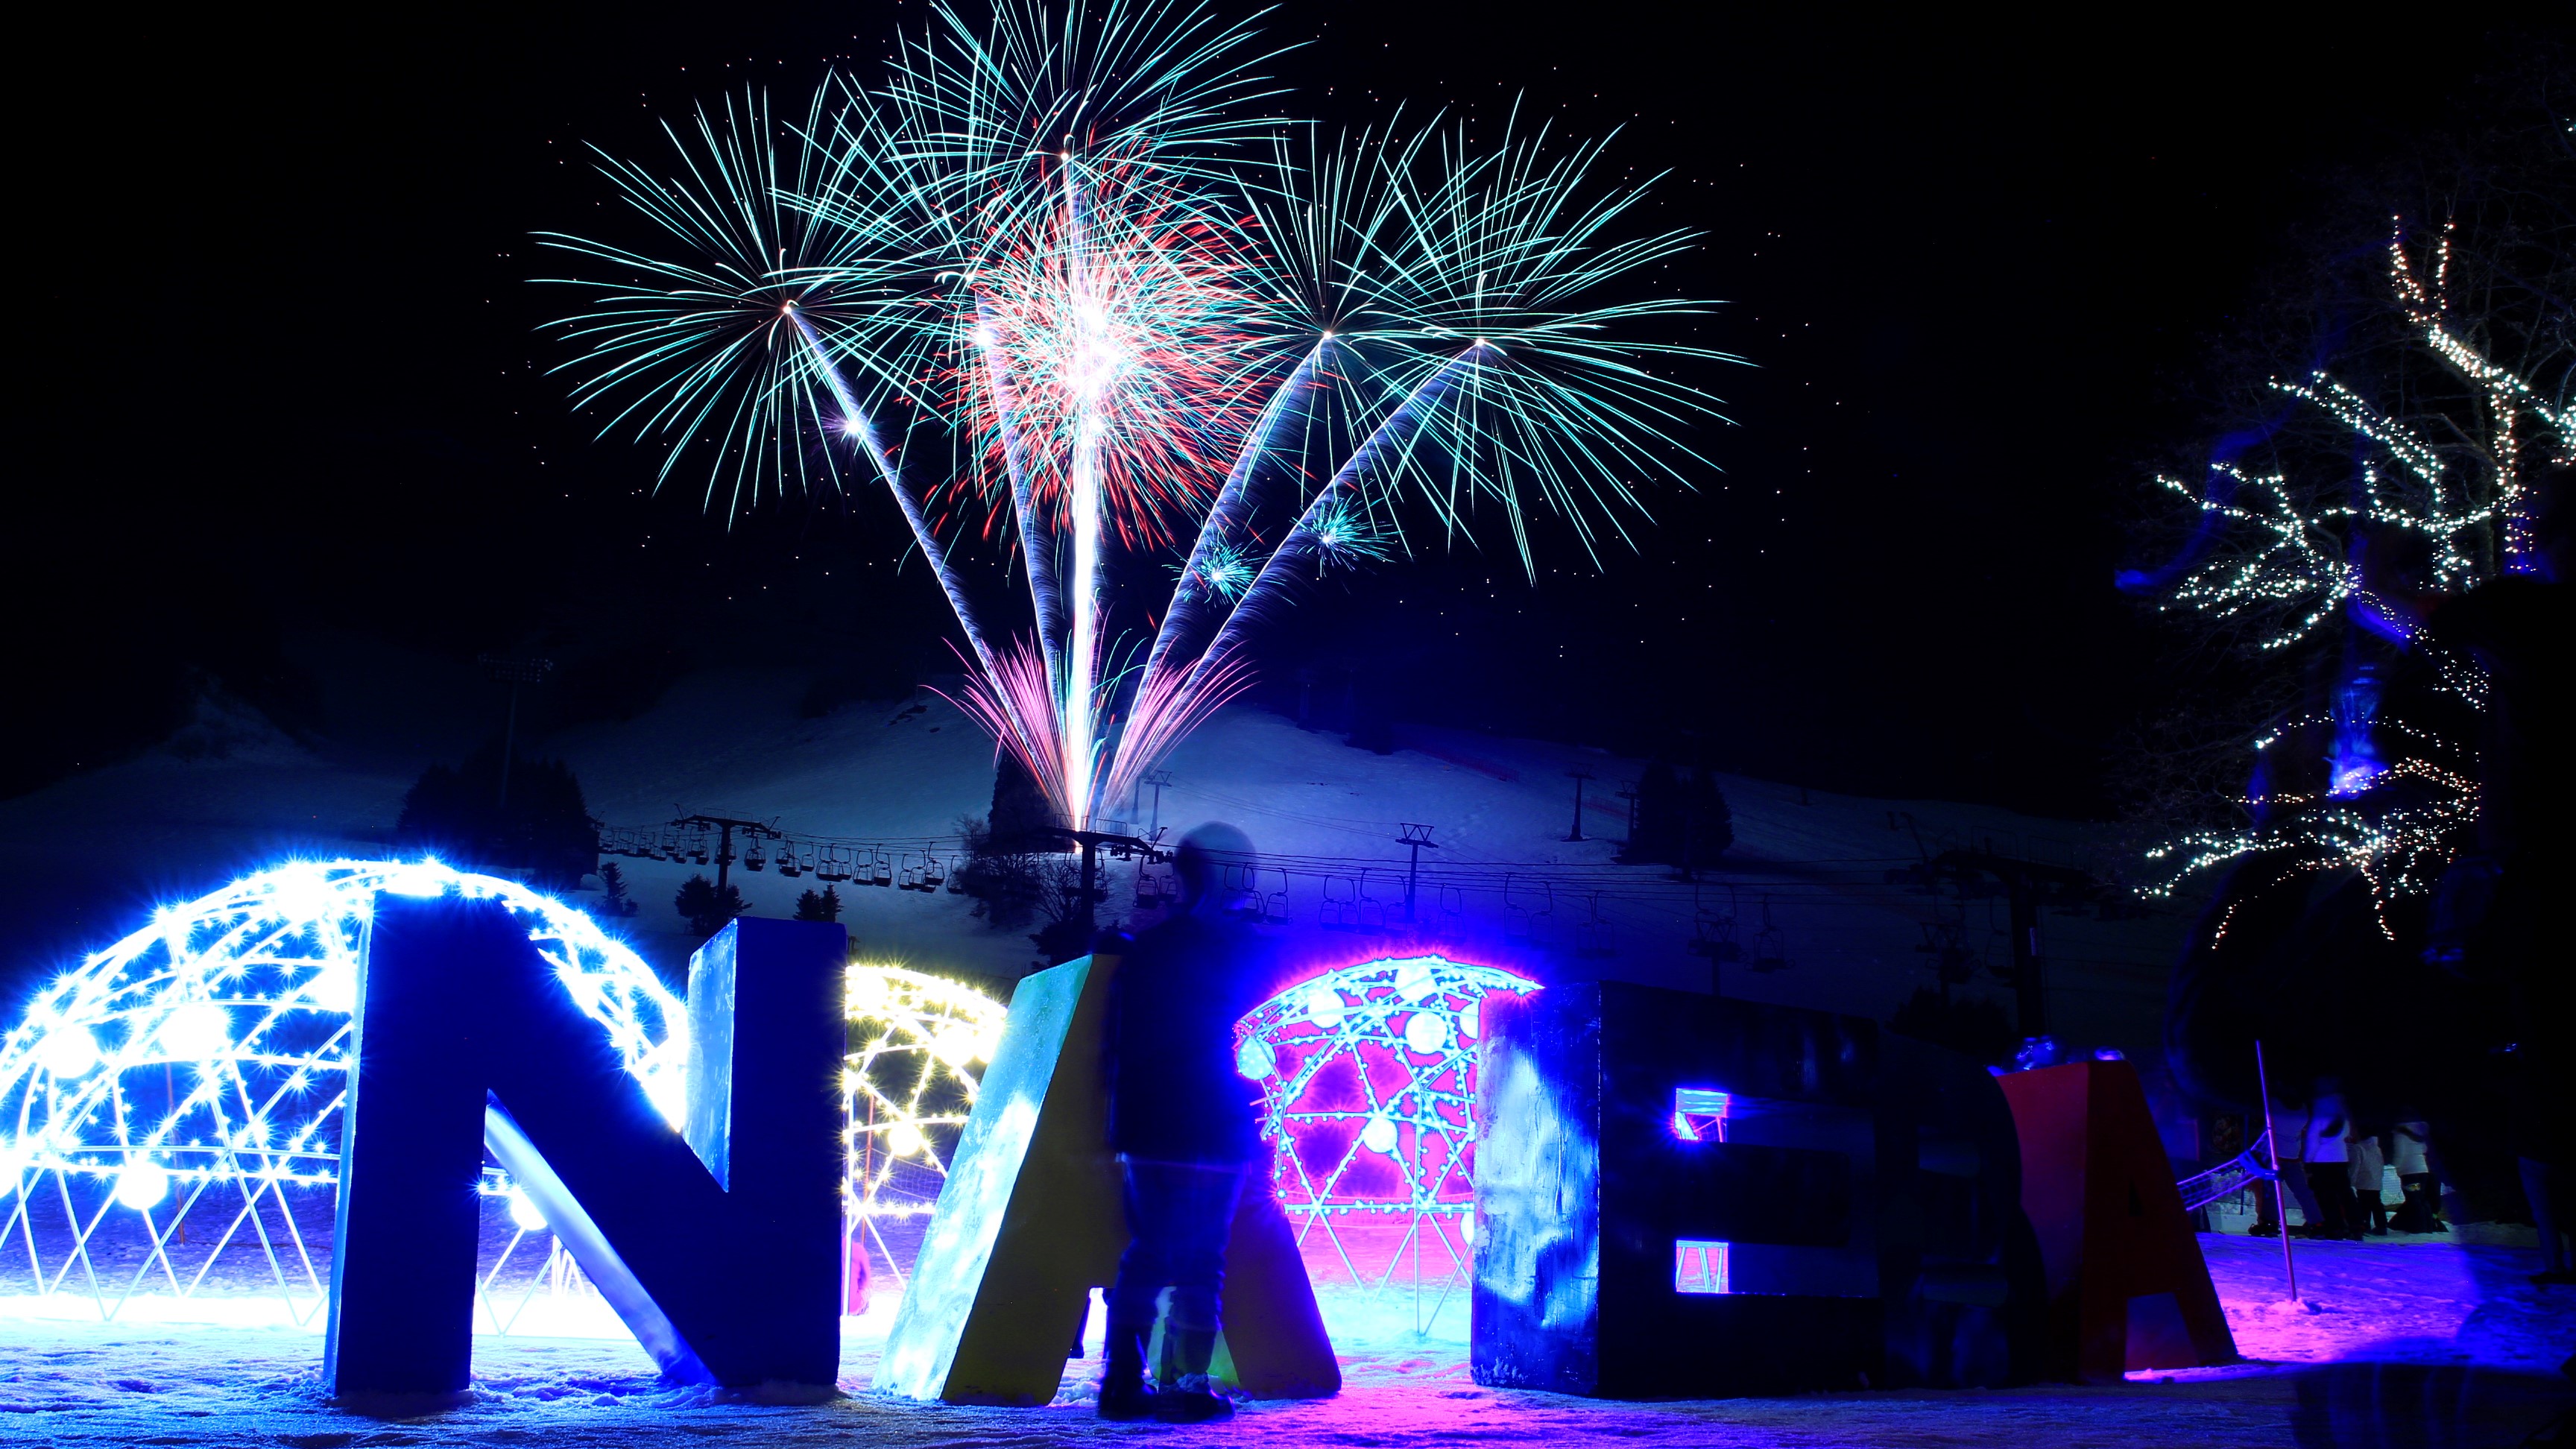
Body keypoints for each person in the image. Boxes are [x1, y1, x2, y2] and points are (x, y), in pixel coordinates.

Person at [1097, 822, 1281, 1422]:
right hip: (1211, 1124)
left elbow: (1127, 1043)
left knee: (1148, 1251)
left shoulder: (1148, 950)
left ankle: (1122, 1381)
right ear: (1235, 876)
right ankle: (1186, 1382)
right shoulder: (1239, 953)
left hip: (1150, 1125)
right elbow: (1254, 1044)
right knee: (1204, 1257)